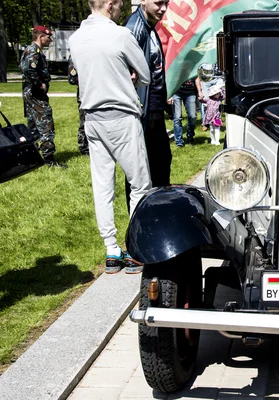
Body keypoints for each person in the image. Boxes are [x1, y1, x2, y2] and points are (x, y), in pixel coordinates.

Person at [69, 0, 152, 274]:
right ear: (110, 5)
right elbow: (145, 75)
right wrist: (127, 78)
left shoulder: (76, 39)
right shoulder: (120, 34)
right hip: (121, 115)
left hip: (91, 117)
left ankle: (111, 250)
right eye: (118, 6)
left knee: (103, 186)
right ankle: (135, 248)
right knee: (139, 184)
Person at [124, 0, 172, 211]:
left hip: (154, 106)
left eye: (166, 3)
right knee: (142, 167)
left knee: (161, 161)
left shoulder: (149, 26)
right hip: (144, 108)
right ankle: (142, 215)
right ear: (143, 1)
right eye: (158, 3)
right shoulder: (135, 27)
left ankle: (158, 208)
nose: (163, 8)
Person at [20, 25, 66, 168]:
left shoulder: (33, 50)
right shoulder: (34, 51)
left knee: (33, 126)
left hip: (31, 94)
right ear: (40, 37)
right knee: (46, 124)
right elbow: (28, 69)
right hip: (36, 94)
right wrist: (40, 84)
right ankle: (48, 159)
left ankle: (32, 157)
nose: (50, 40)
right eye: (48, 37)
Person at [168, 77, 201, 147]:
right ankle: (179, 141)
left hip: (190, 92)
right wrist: (169, 95)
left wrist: (199, 91)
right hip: (176, 92)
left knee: (193, 116)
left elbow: (196, 77)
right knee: (177, 117)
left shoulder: (192, 65)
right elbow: (170, 76)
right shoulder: (176, 65)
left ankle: (190, 136)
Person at [67, 57, 90, 156]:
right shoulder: (75, 55)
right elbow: (72, 78)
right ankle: (84, 147)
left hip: (97, 93)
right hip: (84, 94)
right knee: (84, 122)